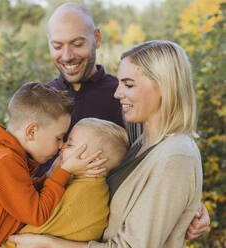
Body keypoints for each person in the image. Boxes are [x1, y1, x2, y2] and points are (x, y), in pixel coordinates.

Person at [35, 2, 210, 239]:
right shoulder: (38, 101)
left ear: (96, 38)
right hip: (45, 223)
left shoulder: (131, 106)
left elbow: (162, 172)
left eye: (77, 43)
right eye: (57, 45)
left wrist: (188, 207)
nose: (67, 56)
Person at [9, 40, 205, 247]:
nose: (117, 93)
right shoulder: (141, 142)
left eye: (128, 84)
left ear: (166, 86)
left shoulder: (176, 156)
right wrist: (187, 205)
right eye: (119, 83)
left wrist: (49, 244)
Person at [0, 82, 106, 248]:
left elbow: (22, 196)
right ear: (31, 132)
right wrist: (64, 172)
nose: (62, 145)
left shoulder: (3, 152)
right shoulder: (3, 161)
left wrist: (51, 175)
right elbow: (37, 214)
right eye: (58, 137)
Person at [2, 118, 129, 248]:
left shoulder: (81, 195)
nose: (62, 146)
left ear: (94, 162)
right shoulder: (90, 186)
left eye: (70, 145)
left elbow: (25, 236)